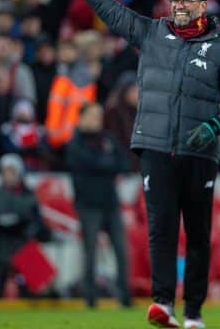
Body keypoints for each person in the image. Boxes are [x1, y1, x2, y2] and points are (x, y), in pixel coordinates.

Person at [58, 0, 220, 329]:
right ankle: (163, 303)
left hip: (200, 151)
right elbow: (108, 9)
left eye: (186, 1)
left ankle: (194, 311)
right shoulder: (151, 33)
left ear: (201, 5)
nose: (178, 6)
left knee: (197, 234)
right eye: (174, 0)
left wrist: (216, 124)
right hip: (156, 147)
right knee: (161, 230)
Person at [65, 102, 131, 308]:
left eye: (98, 116)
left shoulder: (107, 139)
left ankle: (124, 296)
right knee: (90, 252)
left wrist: (102, 163)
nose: (97, 120)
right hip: (88, 204)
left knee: (121, 249)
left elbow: (124, 163)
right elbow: (87, 162)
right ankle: (90, 298)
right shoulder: (75, 142)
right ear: (81, 117)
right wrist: (105, 163)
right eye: (93, 115)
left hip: (110, 203)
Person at [0, 153, 51, 296]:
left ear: (19, 172)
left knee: (36, 281)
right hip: (3, 245)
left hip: (23, 243)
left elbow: (37, 223)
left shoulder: (29, 195)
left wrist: (30, 232)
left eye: (11, 172)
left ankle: (34, 299)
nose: (7, 176)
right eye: (4, 172)